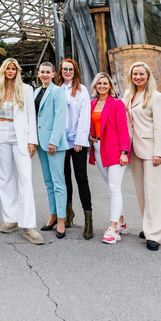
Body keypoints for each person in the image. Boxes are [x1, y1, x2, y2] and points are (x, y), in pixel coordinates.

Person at [0, 58, 44, 245]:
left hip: (21, 134)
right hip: (0, 132)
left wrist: (32, 141)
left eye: (13, 68)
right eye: (8, 68)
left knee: (25, 178)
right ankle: (11, 218)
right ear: (3, 71)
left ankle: (28, 226)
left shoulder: (27, 90)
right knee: (5, 176)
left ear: (17, 71)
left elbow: (31, 116)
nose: (10, 71)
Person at [123, 61, 161, 251]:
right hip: (134, 148)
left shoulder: (156, 97)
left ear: (147, 76)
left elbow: (159, 127)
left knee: (153, 191)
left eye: (141, 74)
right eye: (135, 74)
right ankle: (151, 226)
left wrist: (159, 153)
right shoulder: (128, 94)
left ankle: (154, 235)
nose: (138, 77)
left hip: (151, 150)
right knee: (141, 190)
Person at [88, 72, 131, 245]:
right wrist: (91, 136)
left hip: (115, 150)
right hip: (98, 149)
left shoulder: (117, 104)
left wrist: (124, 152)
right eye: (99, 83)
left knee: (114, 189)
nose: (102, 86)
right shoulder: (91, 104)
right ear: (95, 86)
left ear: (110, 86)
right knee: (113, 187)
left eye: (105, 83)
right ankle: (122, 222)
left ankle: (113, 229)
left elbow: (123, 129)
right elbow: (92, 125)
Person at [56, 58, 94, 240]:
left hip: (77, 141)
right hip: (61, 141)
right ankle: (68, 213)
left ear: (75, 71)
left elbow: (85, 116)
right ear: (60, 71)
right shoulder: (57, 89)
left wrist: (80, 139)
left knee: (81, 178)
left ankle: (88, 219)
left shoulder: (81, 90)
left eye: (70, 69)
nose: (68, 72)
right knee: (65, 179)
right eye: (65, 69)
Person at [34, 62, 69, 239]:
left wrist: (53, 141)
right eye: (42, 72)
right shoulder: (36, 91)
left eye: (48, 72)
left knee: (58, 182)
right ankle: (53, 214)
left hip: (54, 144)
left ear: (54, 74)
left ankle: (62, 219)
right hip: (41, 143)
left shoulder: (58, 92)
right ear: (38, 73)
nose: (45, 74)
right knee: (48, 182)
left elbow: (60, 117)